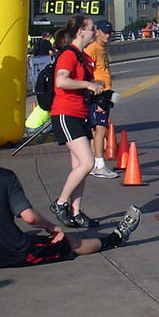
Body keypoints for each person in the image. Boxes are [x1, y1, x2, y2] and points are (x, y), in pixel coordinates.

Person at [0, 129, 141, 278]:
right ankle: (115, 239)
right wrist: (54, 228)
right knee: (69, 242)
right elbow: (28, 217)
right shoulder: (4, 177)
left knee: (31, 237)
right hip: (11, 252)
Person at [49, 17, 106, 229]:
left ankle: (76, 211)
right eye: (92, 29)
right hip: (66, 113)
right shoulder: (68, 55)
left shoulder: (83, 57)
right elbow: (61, 81)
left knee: (79, 167)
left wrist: (95, 89)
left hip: (80, 112)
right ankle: (61, 202)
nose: (94, 32)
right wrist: (87, 84)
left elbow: (83, 85)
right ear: (80, 32)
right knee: (87, 163)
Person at [84, 20, 117, 179]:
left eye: (109, 32)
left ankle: (93, 163)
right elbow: (86, 71)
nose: (107, 35)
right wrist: (95, 89)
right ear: (97, 32)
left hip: (105, 92)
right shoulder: (92, 49)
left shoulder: (102, 48)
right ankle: (99, 164)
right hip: (98, 94)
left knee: (97, 129)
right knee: (100, 128)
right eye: (104, 32)